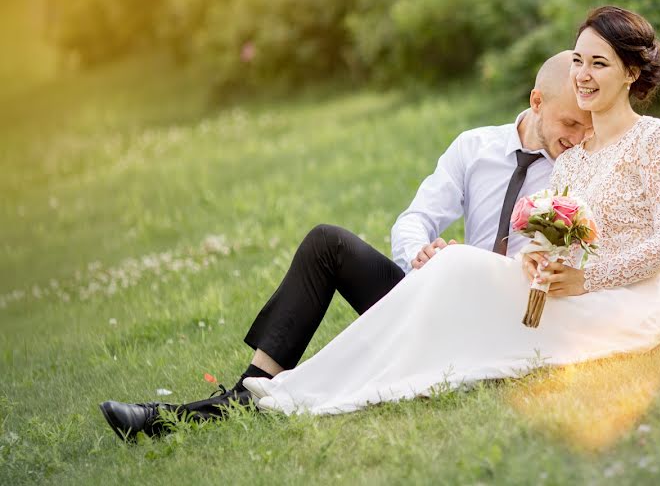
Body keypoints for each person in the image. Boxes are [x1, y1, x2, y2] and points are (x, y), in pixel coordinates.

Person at [99, 51, 592, 441]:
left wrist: (467, 266)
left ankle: (217, 407)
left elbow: (557, 265)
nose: (577, 136)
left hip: (488, 321)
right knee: (326, 242)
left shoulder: (581, 168)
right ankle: (255, 382)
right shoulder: (474, 147)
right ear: (536, 102)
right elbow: (416, 218)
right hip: (428, 294)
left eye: (585, 125)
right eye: (569, 123)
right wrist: (418, 255)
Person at [239, 5, 660, 417]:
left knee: (456, 263)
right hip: (529, 291)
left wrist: (580, 279)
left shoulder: (654, 139)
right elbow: (554, 245)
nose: (584, 74)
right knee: (433, 260)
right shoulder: (568, 159)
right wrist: (537, 262)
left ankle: (298, 388)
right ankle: (281, 382)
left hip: (624, 299)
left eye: (599, 63)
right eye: (579, 60)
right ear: (538, 100)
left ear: (632, 73)